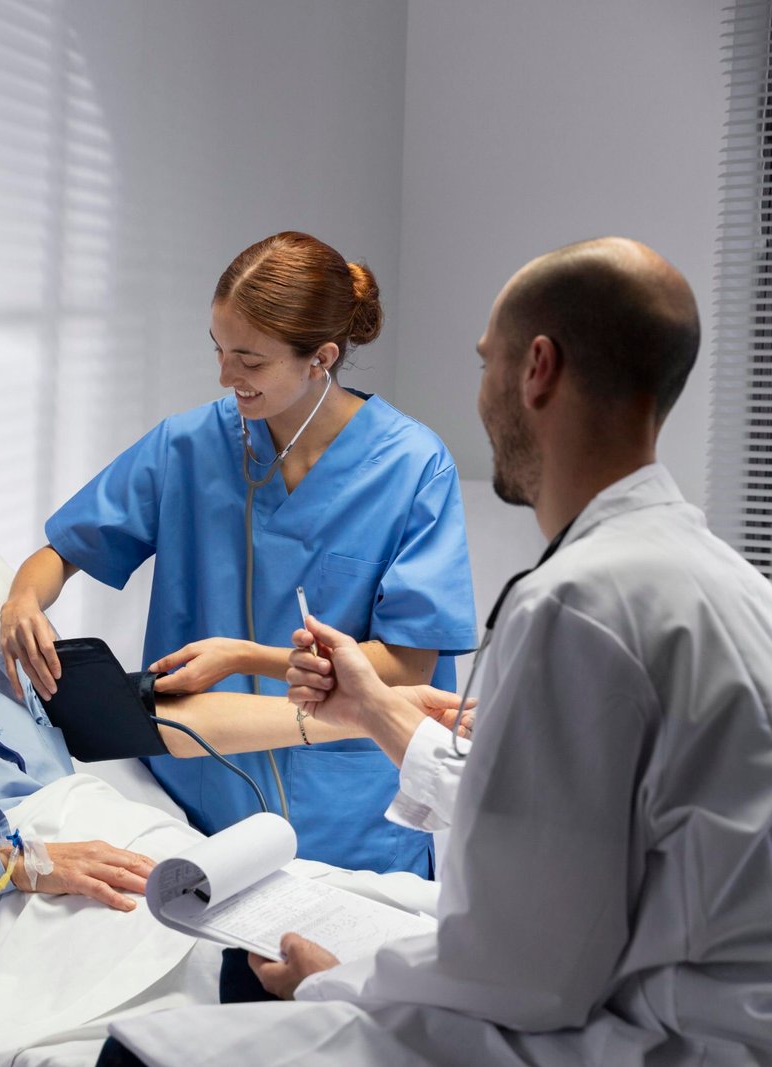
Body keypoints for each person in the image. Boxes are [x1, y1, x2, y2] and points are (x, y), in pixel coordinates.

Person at [104, 237, 772, 1065]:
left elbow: (527, 970)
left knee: (139, 1051)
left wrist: (339, 977)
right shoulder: (728, 582)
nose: (481, 391)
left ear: (537, 369)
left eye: (486, 362)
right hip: (701, 1014)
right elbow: (588, 827)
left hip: (642, 1037)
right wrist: (377, 710)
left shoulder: (574, 603)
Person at [0, 485, 468, 940]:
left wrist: (375, 710)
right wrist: (16, 862)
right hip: (35, 892)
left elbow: (162, 720)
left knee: (402, 926)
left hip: (140, 845)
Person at [1, 230, 478, 880]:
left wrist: (245, 655)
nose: (226, 376)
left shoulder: (412, 465)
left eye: (249, 361)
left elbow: (406, 663)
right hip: (199, 801)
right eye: (220, 350)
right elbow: (63, 550)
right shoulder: (189, 446)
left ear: (321, 358)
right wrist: (23, 598)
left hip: (353, 818)